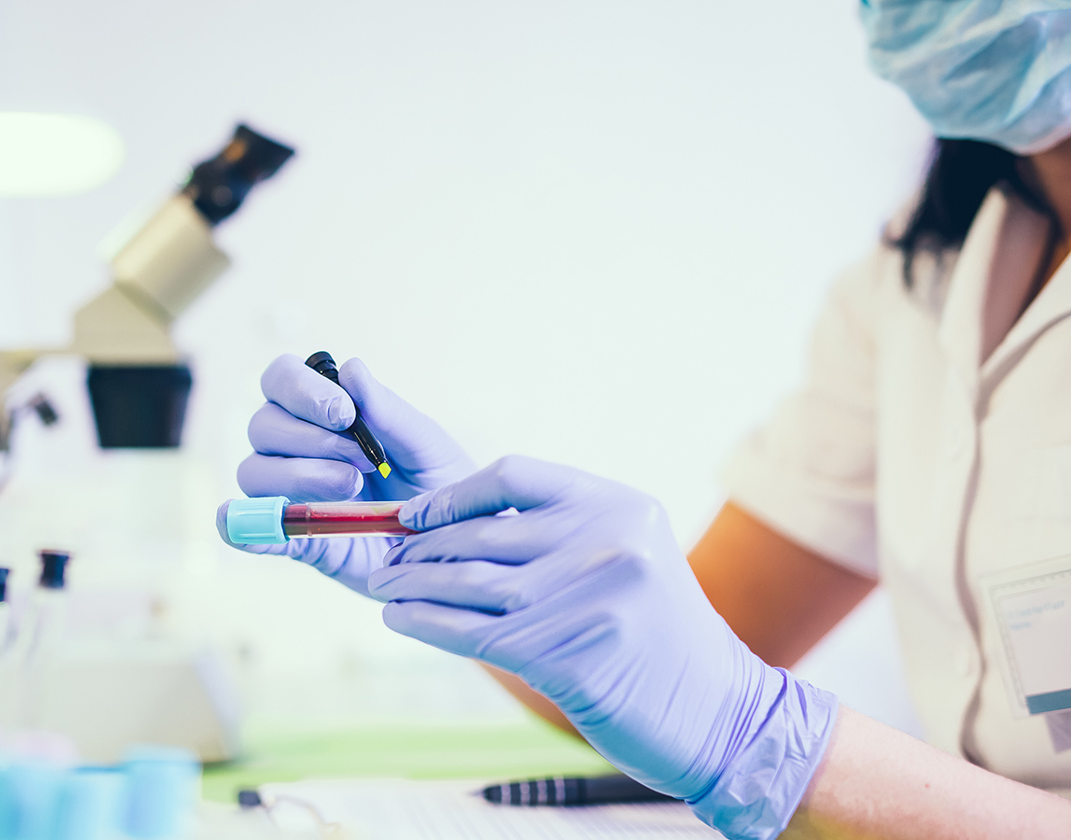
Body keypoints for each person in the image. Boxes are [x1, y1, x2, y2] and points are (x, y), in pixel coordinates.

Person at [218, 3, 1071, 838]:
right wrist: (447, 556)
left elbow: (715, 712)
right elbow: (658, 668)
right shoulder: (922, 274)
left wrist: (761, 744)